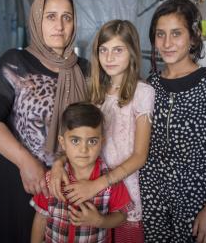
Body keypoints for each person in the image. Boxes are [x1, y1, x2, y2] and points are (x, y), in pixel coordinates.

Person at [0, 0, 88, 243]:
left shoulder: (85, 69)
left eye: (66, 17)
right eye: (50, 16)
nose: (59, 26)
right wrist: (25, 161)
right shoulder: (15, 61)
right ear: (36, 20)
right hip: (22, 182)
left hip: (69, 186)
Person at [49, 20, 155, 242]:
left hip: (121, 190)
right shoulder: (93, 91)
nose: (109, 57)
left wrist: (98, 184)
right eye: (103, 50)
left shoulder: (143, 93)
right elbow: (75, 135)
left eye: (118, 50)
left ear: (133, 53)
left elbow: (139, 156)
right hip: (90, 185)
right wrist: (58, 164)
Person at [139, 0, 206, 243]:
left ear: (193, 36)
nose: (167, 43)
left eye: (176, 33)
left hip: (194, 200)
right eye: (160, 34)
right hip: (151, 198)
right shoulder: (150, 85)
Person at [30, 102, 132, 243]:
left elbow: (122, 216)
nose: (84, 150)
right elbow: (41, 217)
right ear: (63, 142)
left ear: (102, 142)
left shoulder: (111, 180)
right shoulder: (52, 179)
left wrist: (100, 221)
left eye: (92, 141)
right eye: (75, 140)